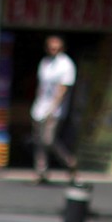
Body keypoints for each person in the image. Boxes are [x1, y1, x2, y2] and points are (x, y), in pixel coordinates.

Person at [30, 34, 78, 186]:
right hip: (40, 107)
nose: (53, 50)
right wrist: (37, 105)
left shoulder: (66, 65)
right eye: (51, 47)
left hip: (55, 109)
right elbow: (41, 86)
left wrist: (52, 109)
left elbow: (63, 89)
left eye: (56, 47)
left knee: (48, 140)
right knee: (38, 141)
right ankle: (41, 171)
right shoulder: (45, 63)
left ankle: (69, 162)